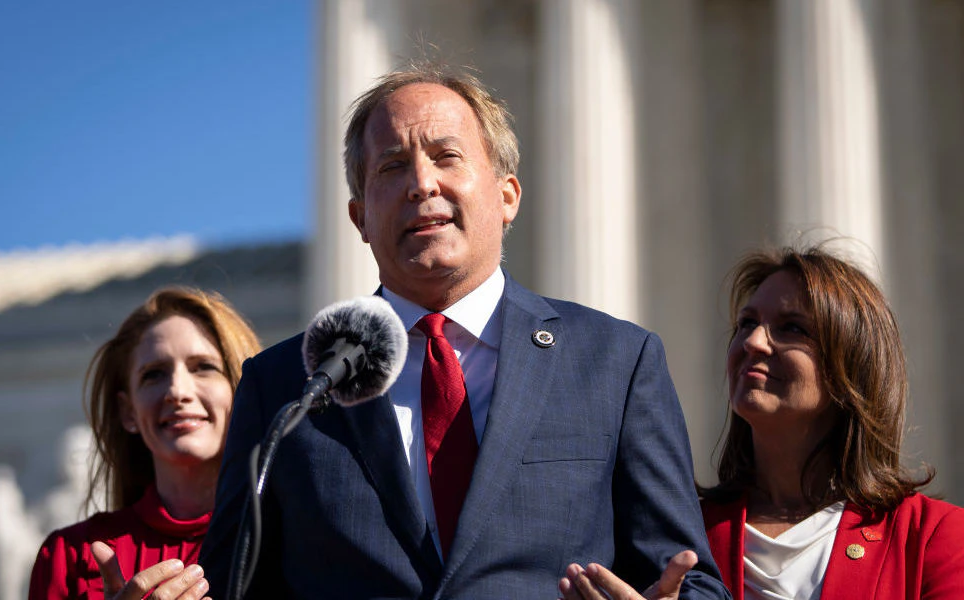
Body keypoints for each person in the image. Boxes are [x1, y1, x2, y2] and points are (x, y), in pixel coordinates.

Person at [199, 62, 729, 599]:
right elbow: (231, 587)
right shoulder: (284, 385)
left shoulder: (616, 362)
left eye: (446, 156)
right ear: (359, 218)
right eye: (391, 166)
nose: (421, 183)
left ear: (507, 196)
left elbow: (692, 580)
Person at [693, 247, 964, 599]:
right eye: (747, 323)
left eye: (791, 327)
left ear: (850, 367)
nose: (753, 342)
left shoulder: (934, 537)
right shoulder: (685, 533)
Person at [29, 287, 261, 600]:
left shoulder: (296, 539)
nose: (178, 390)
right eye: (154, 375)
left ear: (241, 391)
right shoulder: (69, 555)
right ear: (128, 412)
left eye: (204, 367)